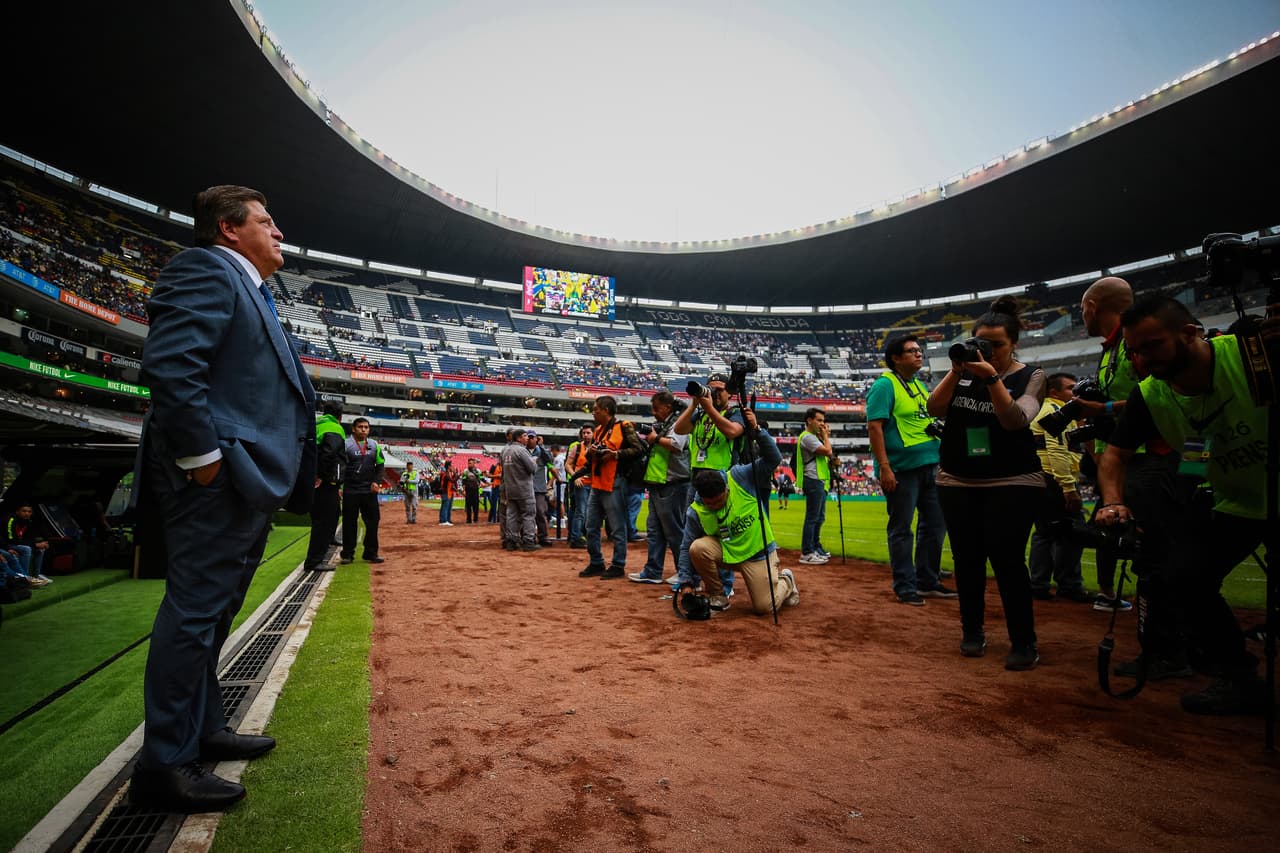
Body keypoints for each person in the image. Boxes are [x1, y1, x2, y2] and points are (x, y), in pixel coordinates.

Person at [131, 185, 315, 813]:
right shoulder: (205, 268)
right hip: (217, 475)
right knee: (195, 612)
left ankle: (203, 729)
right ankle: (165, 764)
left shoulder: (252, 288)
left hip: (246, 476)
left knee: (213, 614)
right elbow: (173, 366)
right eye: (267, 221)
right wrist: (203, 462)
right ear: (230, 229)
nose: (279, 231)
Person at [1098, 294, 1274, 715]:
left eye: (1152, 345)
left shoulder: (1253, 354)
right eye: (1135, 350)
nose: (1142, 357)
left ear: (1190, 333)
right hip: (1236, 501)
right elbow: (1115, 455)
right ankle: (1237, 677)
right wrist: (1113, 502)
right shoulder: (1150, 394)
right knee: (1183, 577)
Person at [926, 297, 1046, 671]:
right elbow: (934, 408)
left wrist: (992, 378)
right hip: (958, 480)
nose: (988, 351)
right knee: (967, 560)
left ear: (1014, 344)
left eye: (997, 345)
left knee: (1008, 560)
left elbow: (1015, 419)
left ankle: (1024, 640)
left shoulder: (1032, 376)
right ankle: (972, 631)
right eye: (981, 342)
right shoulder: (963, 375)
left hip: (1012, 480)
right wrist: (958, 370)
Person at [675, 409, 799, 615]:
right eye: (710, 504)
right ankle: (718, 595)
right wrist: (686, 582)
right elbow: (685, 546)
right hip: (728, 550)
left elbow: (773, 459)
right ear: (701, 497)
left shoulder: (740, 476)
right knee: (697, 548)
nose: (715, 506)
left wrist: (757, 431)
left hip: (757, 552)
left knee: (764, 607)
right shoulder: (695, 510)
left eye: (720, 500)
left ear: (726, 488)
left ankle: (786, 580)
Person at [865, 335, 953, 604]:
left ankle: (927, 580)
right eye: (911, 351)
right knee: (902, 528)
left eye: (919, 350)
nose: (918, 354)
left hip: (930, 463)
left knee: (935, 525)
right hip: (902, 469)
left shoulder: (917, 384)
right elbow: (874, 427)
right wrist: (885, 467)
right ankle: (905, 585)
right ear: (895, 357)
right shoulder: (885, 385)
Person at [672, 372, 745, 594]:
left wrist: (711, 409)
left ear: (730, 393)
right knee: (691, 531)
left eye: (719, 389)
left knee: (722, 532)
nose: (714, 393)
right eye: (710, 388)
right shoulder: (701, 414)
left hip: (722, 479)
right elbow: (679, 429)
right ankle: (690, 580)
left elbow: (733, 431)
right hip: (697, 477)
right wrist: (695, 403)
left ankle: (725, 584)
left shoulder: (735, 413)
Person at [1027, 373, 1092, 603]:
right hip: (1053, 479)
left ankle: (1039, 584)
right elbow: (1056, 451)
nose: (1075, 394)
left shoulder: (1042, 410)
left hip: (1042, 478)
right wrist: (1068, 487)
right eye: (1070, 389)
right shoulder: (1055, 413)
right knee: (1073, 531)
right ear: (1053, 392)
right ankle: (1069, 584)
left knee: (1045, 533)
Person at [578, 396, 643, 579]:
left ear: (606, 410)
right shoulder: (598, 430)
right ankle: (596, 562)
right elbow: (594, 456)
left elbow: (638, 449)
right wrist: (592, 453)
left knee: (617, 527)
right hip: (597, 483)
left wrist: (615, 454)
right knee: (590, 526)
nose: (593, 412)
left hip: (615, 482)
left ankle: (618, 564)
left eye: (596, 409)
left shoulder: (624, 426)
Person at [628, 391, 690, 584]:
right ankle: (653, 571)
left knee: (674, 531)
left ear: (667, 407)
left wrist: (654, 438)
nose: (654, 412)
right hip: (658, 483)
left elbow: (676, 445)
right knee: (654, 530)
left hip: (673, 483)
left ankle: (685, 572)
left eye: (656, 408)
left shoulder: (681, 422)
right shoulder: (666, 424)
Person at [304, 399, 345, 571]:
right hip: (327, 481)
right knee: (323, 521)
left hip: (321, 480)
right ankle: (314, 561)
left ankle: (328, 541)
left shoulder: (317, 424)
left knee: (331, 514)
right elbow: (329, 454)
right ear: (340, 416)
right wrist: (320, 475)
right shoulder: (334, 428)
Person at [340, 417, 385, 564]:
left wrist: (376, 482)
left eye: (366, 427)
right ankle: (347, 554)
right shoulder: (346, 445)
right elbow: (340, 467)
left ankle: (371, 553)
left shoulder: (374, 445)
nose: (364, 429)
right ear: (353, 429)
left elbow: (380, 466)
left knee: (373, 522)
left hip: (369, 491)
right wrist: (339, 487)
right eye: (360, 427)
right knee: (349, 523)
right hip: (350, 490)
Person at [796, 408, 836, 565]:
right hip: (813, 479)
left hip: (819, 479)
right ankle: (807, 552)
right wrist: (825, 436)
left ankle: (815, 547)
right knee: (812, 517)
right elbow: (827, 451)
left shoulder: (813, 437)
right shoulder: (807, 437)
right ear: (809, 420)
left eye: (823, 421)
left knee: (819, 517)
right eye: (819, 420)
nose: (822, 424)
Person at [501, 427, 539, 551]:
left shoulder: (506, 450)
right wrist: (534, 462)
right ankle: (528, 541)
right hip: (524, 489)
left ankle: (511, 541)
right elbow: (532, 469)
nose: (527, 438)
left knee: (512, 515)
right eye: (525, 436)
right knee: (528, 515)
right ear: (519, 438)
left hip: (510, 489)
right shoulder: (522, 451)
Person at [4, 503, 52, 584]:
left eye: (29, 511)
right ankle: (25, 579)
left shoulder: (27, 521)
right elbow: (11, 539)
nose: (27, 513)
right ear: (17, 512)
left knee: (40, 548)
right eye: (24, 511)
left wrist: (39, 544)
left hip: (17, 543)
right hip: (7, 544)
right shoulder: (11, 520)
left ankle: (36, 576)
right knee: (26, 549)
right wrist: (35, 544)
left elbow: (28, 539)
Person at [565, 425, 593, 548]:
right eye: (584, 433)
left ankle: (579, 535)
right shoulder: (577, 447)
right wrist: (575, 477)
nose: (586, 435)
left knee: (586, 511)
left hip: (594, 484)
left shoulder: (596, 447)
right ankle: (576, 537)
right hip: (581, 483)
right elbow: (567, 464)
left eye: (588, 432)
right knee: (581, 511)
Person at [527, 431, 555, 545]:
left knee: (540, 511)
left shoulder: (542, 452)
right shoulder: (523, 451)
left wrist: (541, 446)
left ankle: (543, 536)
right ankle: (529, 536)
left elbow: (550, 460)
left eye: (533, 437)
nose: (530, 439)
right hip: (526, 487)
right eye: (528, 437)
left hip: (539, 487)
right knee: (527, 513)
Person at [461, 459, 483, 523]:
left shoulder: (478, 471)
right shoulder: (465, 471)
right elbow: (463, 482)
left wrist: (488, 483)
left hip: (475, 490)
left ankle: (475, 519)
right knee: (468, 506)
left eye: (470, 463)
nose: (469, 464)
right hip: (468, 490)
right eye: (468, 463)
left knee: (476, 506)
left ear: (474, 464)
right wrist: (464, 490)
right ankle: (468, 519)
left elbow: (482, 479)